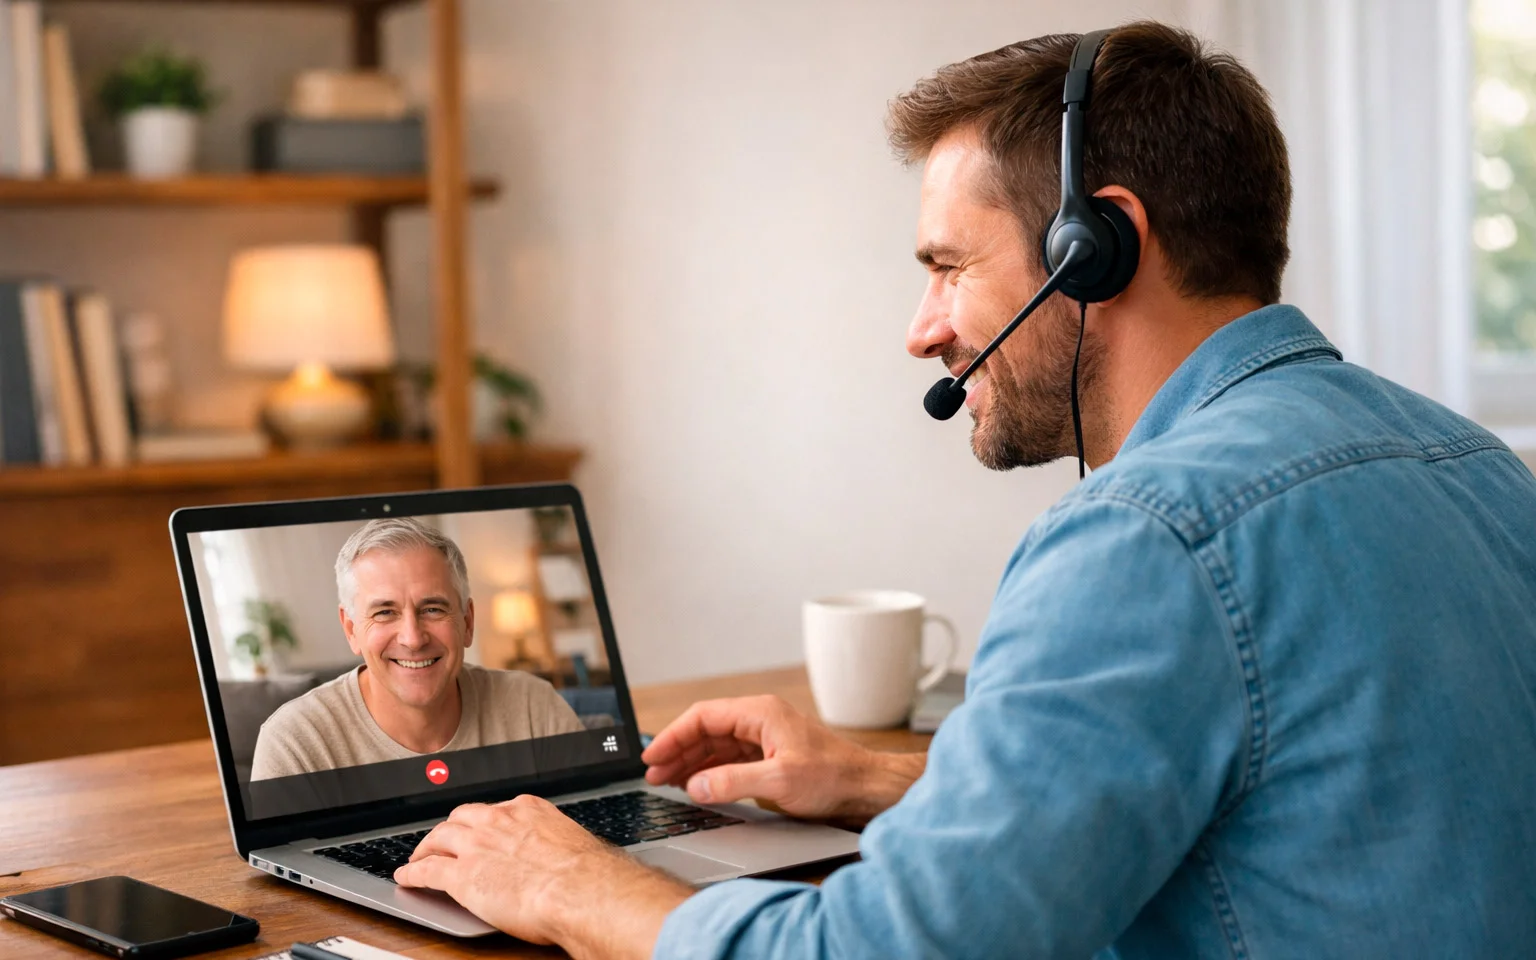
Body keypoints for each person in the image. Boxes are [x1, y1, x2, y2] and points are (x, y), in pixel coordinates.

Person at [390, 22, 1536, 959]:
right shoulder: (1480, 468)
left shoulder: (1148, 539)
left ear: (1101, 248)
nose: (922, 330)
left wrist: (577, 887)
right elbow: (1299, 799)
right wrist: (891, 781)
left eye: (947, 267)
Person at [251, 518, 584, 780]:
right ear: (351, 629)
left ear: (467, 622)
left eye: (433, 609)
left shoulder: (533, 708)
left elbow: (594, 840)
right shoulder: (294, 744)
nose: (413, 638)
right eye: (384, 612)